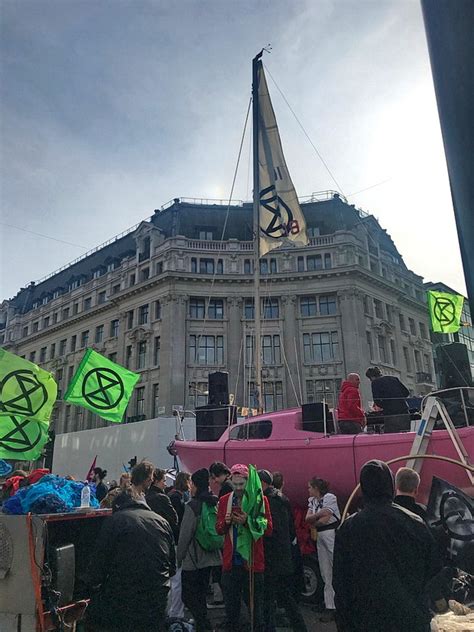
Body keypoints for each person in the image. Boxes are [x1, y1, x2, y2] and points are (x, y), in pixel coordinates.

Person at [333, 459, 440, 632]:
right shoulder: (415, 522)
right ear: (390, 485)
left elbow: (340, 583)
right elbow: (433, 568)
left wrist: (344, 623)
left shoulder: (348, 528)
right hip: (410, 619)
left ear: (363, 487)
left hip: (367, 620)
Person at [87, 487, 176, 632]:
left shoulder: (115, 521)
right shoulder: (162, 522)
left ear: (117, 506)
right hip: (159, 599)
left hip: (125, 601)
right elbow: (171, 568)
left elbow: (97, 567)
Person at [216, 464, 273, 632]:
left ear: (248, 483)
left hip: (253, 564)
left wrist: (247, 521)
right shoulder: (225, 500)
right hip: (231, 564)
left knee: (256, 614)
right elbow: (218, 529)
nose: (239, 488)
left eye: (242, 484)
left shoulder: (260, 500)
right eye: (236, 484)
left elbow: (268, 528)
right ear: (231, 482)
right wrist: (226, 522)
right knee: (231, 613)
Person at [258, 470, 307, 632]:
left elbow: (273, 530)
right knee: (282, 597)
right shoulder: (281, 498)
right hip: (283, 555)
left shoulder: (270, 501)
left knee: (272, 598)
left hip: (273, 557)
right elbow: (290, 529)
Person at [177, 468, 222, 632]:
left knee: (188, 597)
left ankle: (204, 626)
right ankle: (202, 624)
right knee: (201, 595)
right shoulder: (213, 502)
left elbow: (185, 536)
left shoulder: (192, 506)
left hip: (193, 560)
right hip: (211, 557)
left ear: (195, 485)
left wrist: (178, 558)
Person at [305, 477, 340, 622]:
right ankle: (329, 604)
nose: (308, 490)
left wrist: (314, 519)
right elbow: (309, 518)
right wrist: (317, 517)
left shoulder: (329, 497)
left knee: (335, 566)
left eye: (310, 487)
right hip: (320, 535)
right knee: (325, 570)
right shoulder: (312, 501)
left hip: (330, 533)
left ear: (316, 488)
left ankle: (338, 605)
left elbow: (327, 516)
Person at [167, 471, 191, 620]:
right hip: (177, 541)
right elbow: (179, 521)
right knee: (177, 580)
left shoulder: (172, 495)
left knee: (174, 579)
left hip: (172, 541)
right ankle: (176, 613)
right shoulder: (177, 498)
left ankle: (172, 611)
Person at [365, 366, 410, 432]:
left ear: (372, 377)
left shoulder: (375, 383)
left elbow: (377, 401)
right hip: (404, 411)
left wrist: (386, 406)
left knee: (392, 436)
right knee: (405, 435)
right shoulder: (394, 379)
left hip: (390, 414)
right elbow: (406, 393)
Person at [146, 468, 179, 540]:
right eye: (164, 481)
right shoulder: (162, 498)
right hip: (162, 535)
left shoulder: (144, 497)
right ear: (156, 481)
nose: (165, 485)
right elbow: (174, 519)